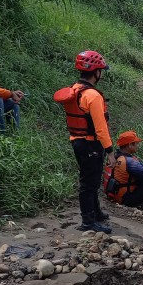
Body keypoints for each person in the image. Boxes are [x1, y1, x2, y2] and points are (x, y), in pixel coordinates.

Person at [59, 50, 114, 233]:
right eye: (101, 71)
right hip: (91, 143)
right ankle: (88, 221)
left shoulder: (74, 90)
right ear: (96, 72)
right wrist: (110, 151)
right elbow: (101, 128)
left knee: (92, 179)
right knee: (89, 183)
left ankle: (96, 212)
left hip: (77, 141)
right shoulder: (93, 96)